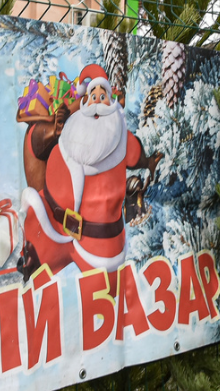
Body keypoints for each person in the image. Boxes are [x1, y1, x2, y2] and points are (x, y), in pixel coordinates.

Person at [18, 63, 158, 279]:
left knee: (99, 294)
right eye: (93, 97)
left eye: (103, 98)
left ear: (111, 104)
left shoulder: (119, 138)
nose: (97, 103)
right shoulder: (74, 131)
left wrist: (148, 162)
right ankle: (31, 262)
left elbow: (136, 155)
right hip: (55, 228)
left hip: (99, 244)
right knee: (37, 272)